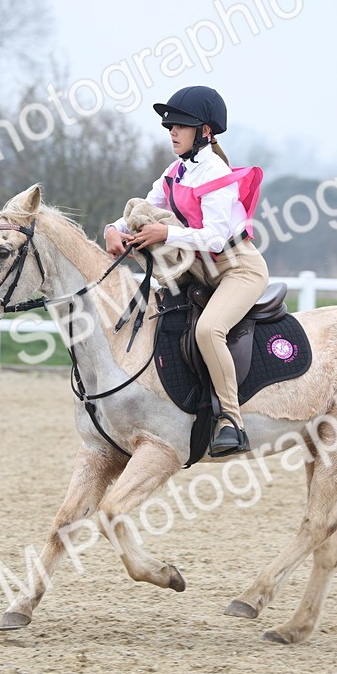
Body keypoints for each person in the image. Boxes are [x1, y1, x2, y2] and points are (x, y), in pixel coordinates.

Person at [103, 85, 267, 458]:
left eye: (180, 125)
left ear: (205, 132)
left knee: (210, 330)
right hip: (198, 269)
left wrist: (165, 232)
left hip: (237, 268)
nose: (171, 131)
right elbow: (145, 206)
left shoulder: (216, 172)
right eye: (169, 125)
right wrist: (113, 228)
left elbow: (213, 237)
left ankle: (231, 420)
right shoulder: (176, 170)